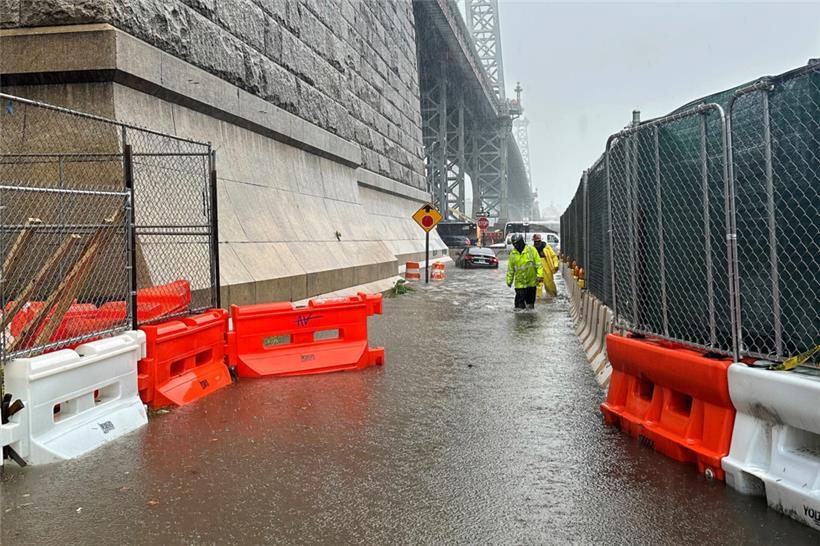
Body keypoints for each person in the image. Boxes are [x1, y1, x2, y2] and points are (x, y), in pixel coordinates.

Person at [506, 233, 544, 309]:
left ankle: (530, 319)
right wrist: (509, 281)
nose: (515, 246)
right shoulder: (512, 254)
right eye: (514, 244)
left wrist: (540, 275)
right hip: (520, 284)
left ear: (521, 242)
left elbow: (538, 264)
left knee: (530, 305)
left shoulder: (531, 250)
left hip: (531, 284)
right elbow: (510, 269)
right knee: (519, 307)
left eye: (517, 244)